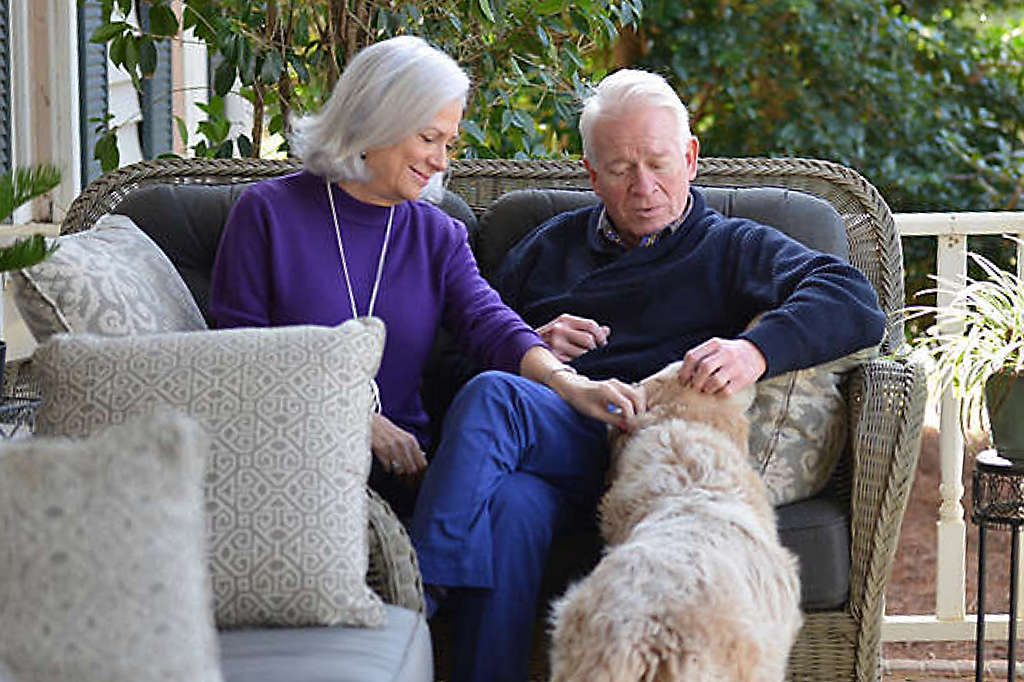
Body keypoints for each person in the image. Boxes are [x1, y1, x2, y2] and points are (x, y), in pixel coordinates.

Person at [409, 68, 886, 682]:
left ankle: (417, 595)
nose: (644, 187)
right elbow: (449, 363)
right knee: (502, 440)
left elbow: (852, 299)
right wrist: (533, 346)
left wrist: (753, 352)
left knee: (505, 466)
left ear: (690, 158)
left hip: (654, 451)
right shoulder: (545, 249)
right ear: (590, 174)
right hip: (566, 441)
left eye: (659, 163)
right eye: (620, 169)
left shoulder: (732, 246)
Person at [208, 35, 642, 521]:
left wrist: (571, 385)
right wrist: (355, 421)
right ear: (376, 120)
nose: (441, 161)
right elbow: (238, 356)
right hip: (290, 463)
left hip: (406, 475)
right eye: (428, 138)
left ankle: (430, 587)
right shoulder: (267, 214)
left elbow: (490, 322)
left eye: (448, 143)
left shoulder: (436, 234)